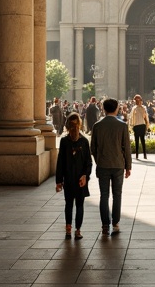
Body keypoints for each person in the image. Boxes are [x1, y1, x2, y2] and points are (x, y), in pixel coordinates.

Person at [90, 98, 131, 235]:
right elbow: (126, 148)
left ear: (103, 109)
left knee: (104, 195)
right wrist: (128, 166)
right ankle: (116, 223)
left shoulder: (97, 125)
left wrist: (98, 160)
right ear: (117, 108)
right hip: (118, 164)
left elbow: (93, 148)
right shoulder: (122, 126)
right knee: (117, 195)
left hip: (103, 165)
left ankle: (105, 225)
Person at [55, 112, 92, 239]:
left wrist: (59, 181)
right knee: (78, 205)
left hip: (72, 179)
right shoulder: (83, 141)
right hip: (78, 180)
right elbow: (89, 162)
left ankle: (69, 228)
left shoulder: (66, 141)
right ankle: (77, 230)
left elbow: (60, 163)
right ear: (80, 125)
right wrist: (85, 176)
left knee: (69, 204)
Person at [129, 94, 149, 159]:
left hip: (142, 125)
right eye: (136, 100)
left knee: (143, 140)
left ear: (141, 100)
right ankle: (137, 155)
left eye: (138, 100)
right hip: (136, 126)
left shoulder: (144, 108)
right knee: (136, 141)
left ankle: (145, 155)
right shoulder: (134, 108)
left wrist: (147, 126)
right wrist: (131, 126)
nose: (137, 101)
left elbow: (146, 117)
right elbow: (131, 117)